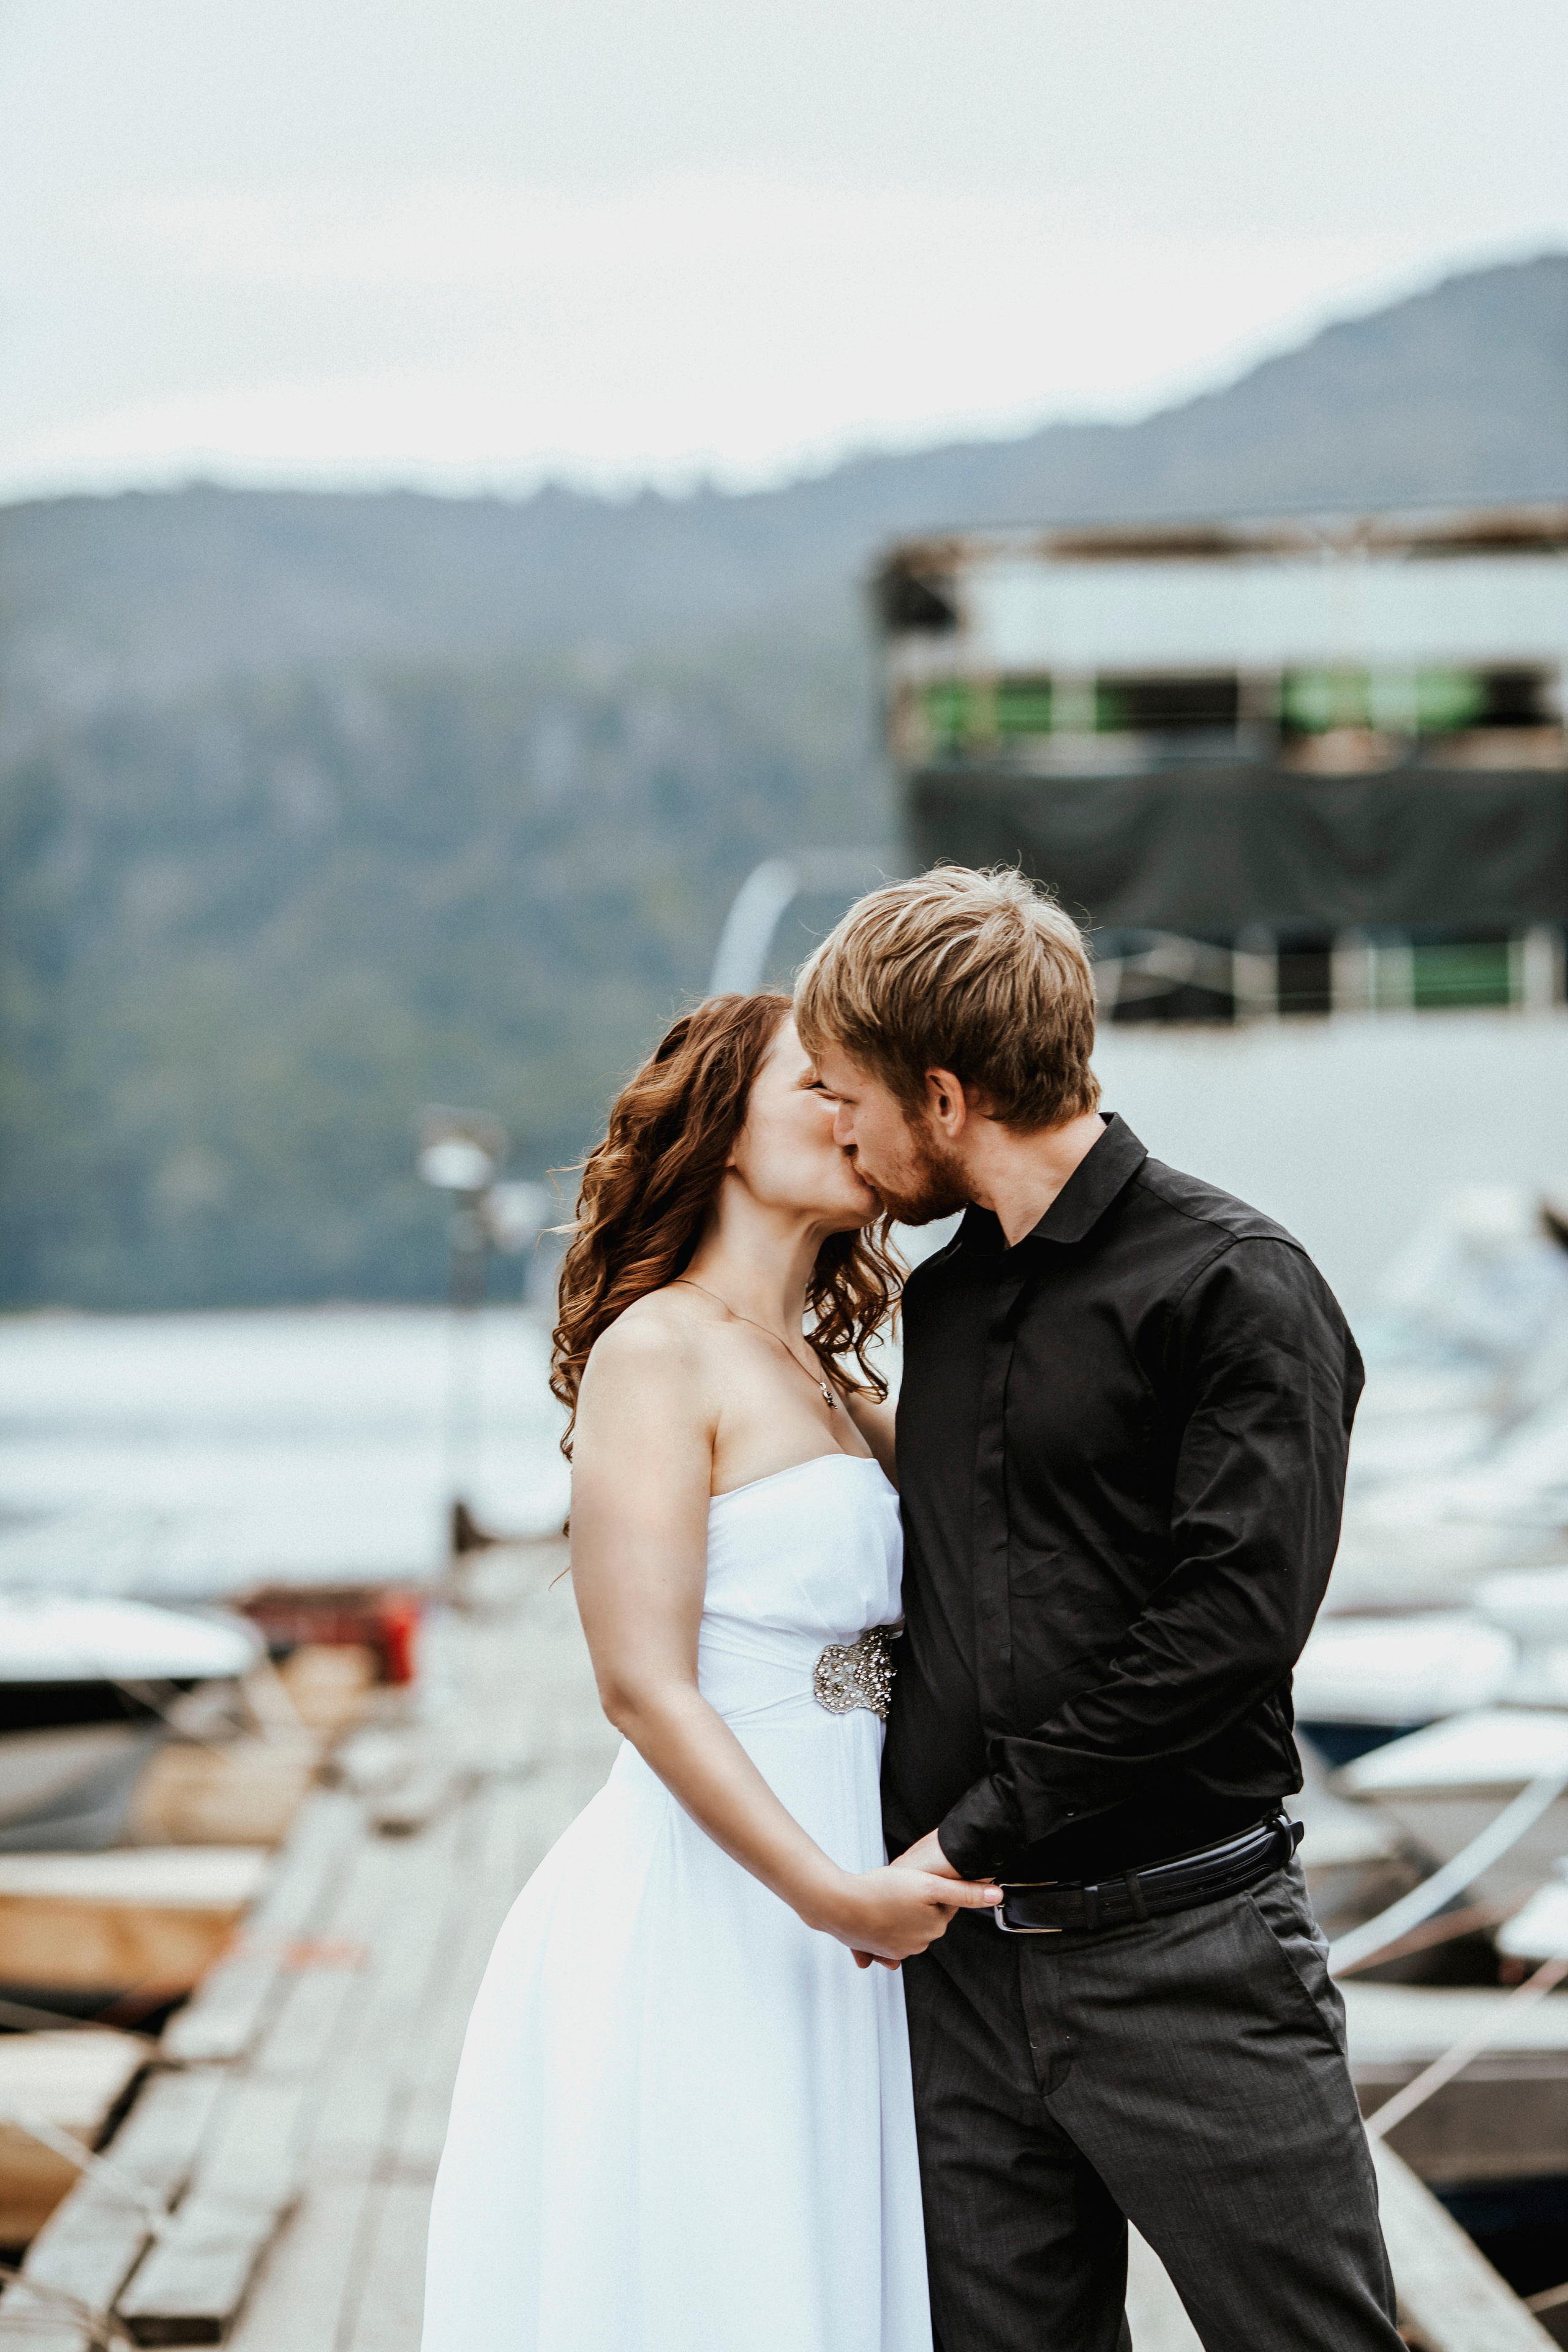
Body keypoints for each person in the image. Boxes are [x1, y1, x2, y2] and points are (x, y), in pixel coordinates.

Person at [794, 864, 1405, 2352]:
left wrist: (970, 1830)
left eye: (849, 1094)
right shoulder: (939, 1303)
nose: (840, 1130)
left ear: (942, 1097)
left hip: (1185, 1955)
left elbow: (1229, 1630)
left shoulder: (1235, 1285)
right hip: (962, 1980)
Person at [420, 990, 1000, 2352]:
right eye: (817, 1084)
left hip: (846, 1906)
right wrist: (828, 1896)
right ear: (722, 1129)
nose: (850, 1115)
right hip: (719, 1902)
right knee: (718, 2274)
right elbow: (641, 1684)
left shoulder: (838, 1384)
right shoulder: (656, 1349)